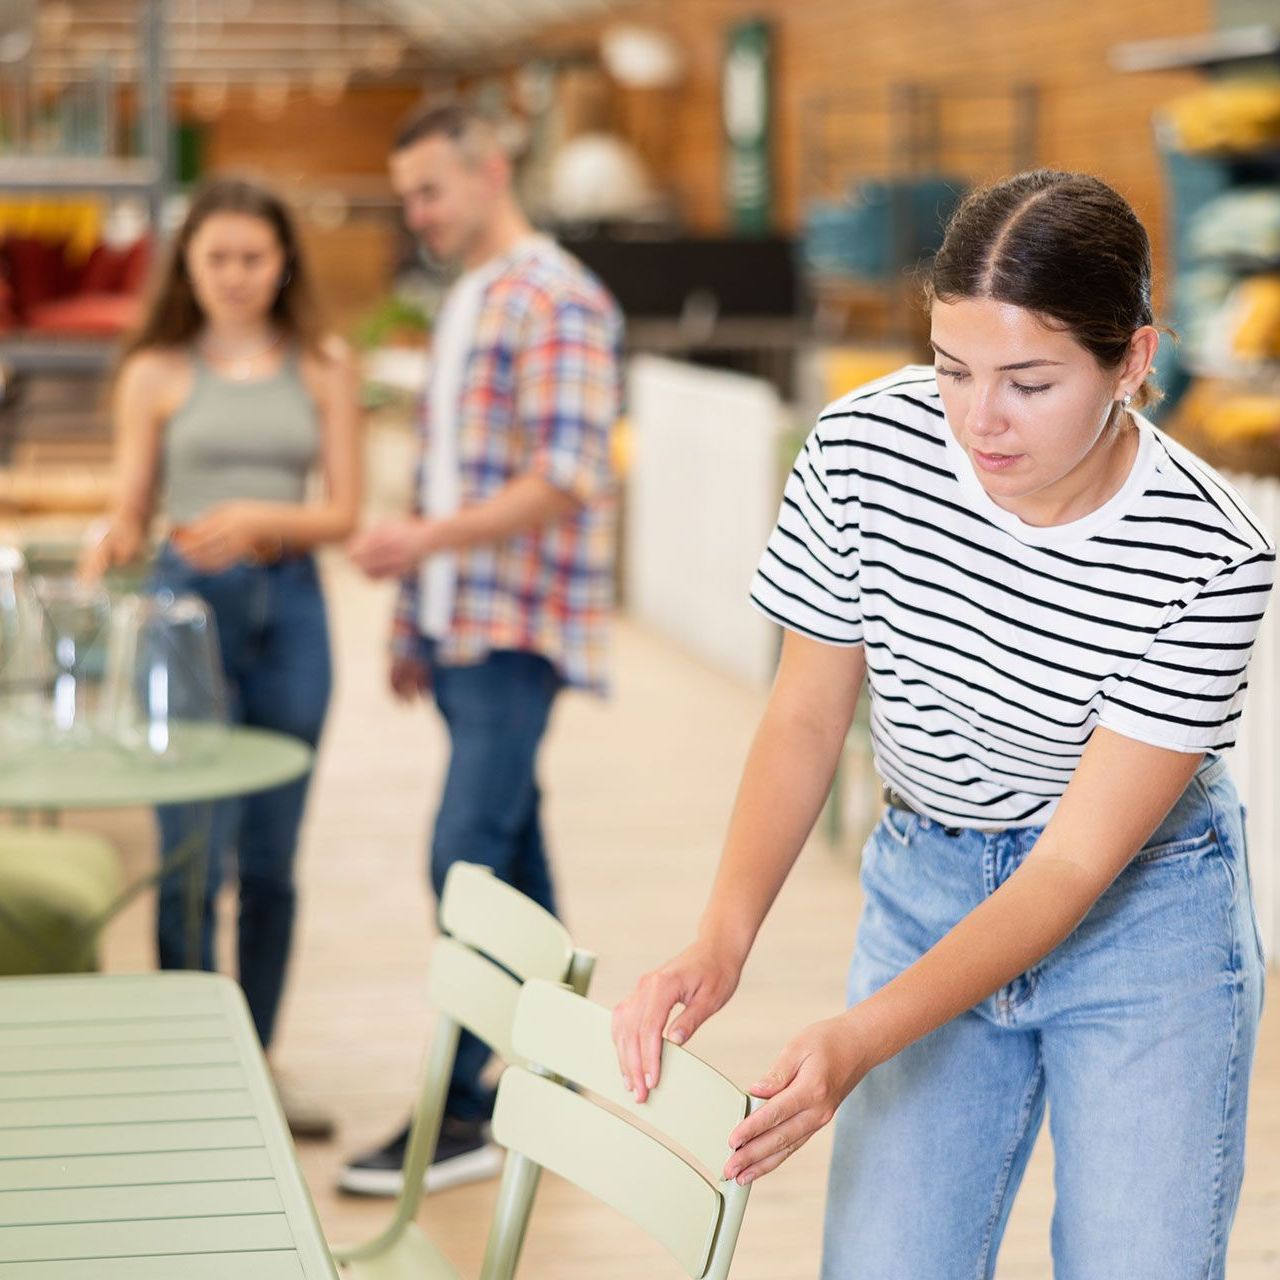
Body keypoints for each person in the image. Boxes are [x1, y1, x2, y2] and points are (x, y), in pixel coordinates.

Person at [612, 170, 1275, 1280]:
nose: (977, 420)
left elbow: (1068, 865)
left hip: (1141, 916)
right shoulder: (862, 450)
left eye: (1028, 380)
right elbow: (806, 711)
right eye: (949, 366)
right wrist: (721, 937)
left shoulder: (1205, 551)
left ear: (1133, 361)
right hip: (925, 880)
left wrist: (859, 1037)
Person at [341, 102, 622, 1196]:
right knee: (513, 856)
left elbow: (565, 475)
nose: (417, 213)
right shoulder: (466, 299)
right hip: (460, 622)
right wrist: (414, 613)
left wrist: (421, 546)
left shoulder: (555, 298)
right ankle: (550, 1071)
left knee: (459, 854)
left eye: (429, 190)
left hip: (518, 627)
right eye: (406, 194)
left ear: (489, 168)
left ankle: (463, 1102)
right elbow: (442, 470)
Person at [81, 177, 361, 1138]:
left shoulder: (324, 364)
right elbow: (131, 504)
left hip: (291, 610)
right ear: (188, 267)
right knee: (189, 854)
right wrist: (111, 537)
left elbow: (345, 513)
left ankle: (258, 1061)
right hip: (179, 610)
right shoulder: (154, 371)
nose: (237, 277)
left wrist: (257, 519)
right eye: (217, 260)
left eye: (254, 257)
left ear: (284, 262)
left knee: (272, 860)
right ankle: (185, 1062)